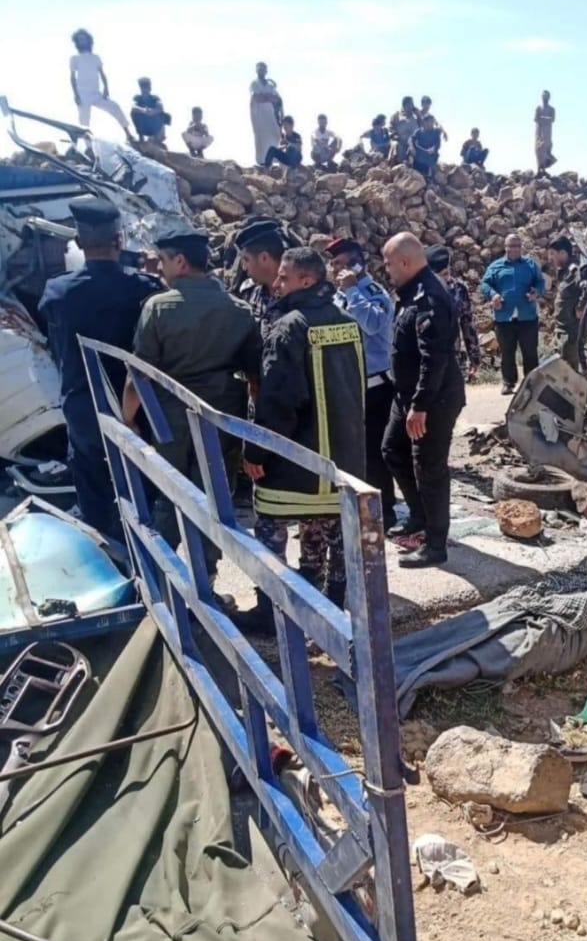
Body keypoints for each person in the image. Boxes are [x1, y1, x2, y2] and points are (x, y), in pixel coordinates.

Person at [234, 248, 366, 631]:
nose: (277, 283)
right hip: (342, 462)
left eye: (284, 277)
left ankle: (271, 611)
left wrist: (256, 451)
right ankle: (332, 607)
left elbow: (278, 401)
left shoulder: (289, 328)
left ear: (306, 281)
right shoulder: (348, 323)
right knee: (328, 531)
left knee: (271, 531)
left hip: (296, 465)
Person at [123, 224, 261, 578]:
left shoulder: (158, 308)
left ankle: (160, 574)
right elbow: (254, 377)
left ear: (180, 262)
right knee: (215, 498)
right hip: (221, 417)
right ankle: (207, 578)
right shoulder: (240, 310)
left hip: (169, 418)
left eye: (163, 260)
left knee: (170, 491)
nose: (160, 268)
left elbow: (138, 375)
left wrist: (128, 419)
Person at [38, 200, 161, 538]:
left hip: (84, 403)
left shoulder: (58, 290)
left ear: (78, 242)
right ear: (120, 240)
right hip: (137, 406)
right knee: (142, 486)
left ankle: (107, 553)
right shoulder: (145, 287)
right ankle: (143, 551)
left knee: (92, 487)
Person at [381, 232, 465, 568]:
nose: (386, 270)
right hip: (408, 395)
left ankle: (435, 544)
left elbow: (435, 359)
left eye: (389, 264)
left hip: (434, 399)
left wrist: (421, 406)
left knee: (429, 468)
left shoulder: (430, 296)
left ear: (405, 262)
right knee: (392, 449)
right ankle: (418, 515)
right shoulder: (411, 292)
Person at [326, 236, 397, 530]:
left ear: (357, 264)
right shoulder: (338, 295)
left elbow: (372, 323)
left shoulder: (372, 293)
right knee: (350, 450)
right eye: (333, 264)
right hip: (348, 385)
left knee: (375, 454)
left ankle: (385, 513)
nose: (335, 270)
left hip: (376, 386)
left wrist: (353, 289)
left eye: (340, 263)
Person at [479, 233, 546, 394]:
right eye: (511, 246)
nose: (515, 249)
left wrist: (536, 292)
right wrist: (493, 295)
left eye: (518, 246)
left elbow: (540, 282)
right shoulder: (495, 266)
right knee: (507, 352)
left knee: (530, 352)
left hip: (527, 316)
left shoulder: (530, 264)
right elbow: (484, 284)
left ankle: (531, 384)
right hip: (504, 317)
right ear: (505, 247)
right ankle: (508, 382)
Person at [426, 245, 480, 381]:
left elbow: (467, 323)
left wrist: (474, 356)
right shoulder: (421, 290)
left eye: (445, 274)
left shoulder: (459, 289)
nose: (443, 279)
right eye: (439, 275)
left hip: (453, 355)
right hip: (427, 356)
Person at [68, 29, 132, 138]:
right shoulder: (74, 58)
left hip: (96, 93)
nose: (82, 41)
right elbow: (72, 77)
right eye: (80, 40)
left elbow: (102, 74)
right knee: (84, 120)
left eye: (84, 39)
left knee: (115, 107)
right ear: (77, 42)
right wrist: (76, 95)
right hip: (82, 93)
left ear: (89, 40)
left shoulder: (95, 57)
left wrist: (106, 88)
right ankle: (85, 143)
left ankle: (128, 134)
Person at [234, 217, 288, 340]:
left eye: (246, 260)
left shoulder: (297, 293)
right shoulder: (249, 293)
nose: (244, 268)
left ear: (264, 258)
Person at [547, 236, 584, 371]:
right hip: (562, 328)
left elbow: (586, 287)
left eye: (552, 254)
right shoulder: (563, 272)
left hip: (571, 330)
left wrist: (581, 307)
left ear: (563, 253)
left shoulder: (575, 271)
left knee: (570, 370)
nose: (550, 258)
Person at [250, 62, 284, 165]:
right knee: (261, 138)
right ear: (256, 70)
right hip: (259, 115)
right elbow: (256, 97)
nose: (262, 71)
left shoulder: (270, 85)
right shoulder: (254, 84)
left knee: (275, 135)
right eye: (260, 69)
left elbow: (276, 98)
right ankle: (261, 161)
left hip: (271, 115)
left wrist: (266, 97)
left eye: (263, 69)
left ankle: (272, 158)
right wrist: (268, 97)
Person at [130, 77, 170, 145]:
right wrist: (143, 110)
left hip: (154, 125)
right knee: (134, 113)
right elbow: (133, 107)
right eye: (143, 86)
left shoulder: (155, 98)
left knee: (164, 115)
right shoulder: (137, 98)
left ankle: (158, 138)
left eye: (147, 85)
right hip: (144, 125)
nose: (145, 88)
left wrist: (152, 112)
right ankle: (141, 138)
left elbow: (160, 107)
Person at [411, 114, 441, 181]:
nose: (432, 123)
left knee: (428, 177)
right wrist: (415, 149)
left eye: (432, 122)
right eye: (430, 121)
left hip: (430, 158)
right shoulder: (418, 132)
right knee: (416, 176)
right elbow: (413, 141)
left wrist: (433, 149)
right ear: (425, 122)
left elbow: (438, 144)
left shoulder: (435, 133)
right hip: (419, 157)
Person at [389, 97, 419, 165]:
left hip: (412, 143)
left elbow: (422, 129)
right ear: (404, 105)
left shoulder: (415, 117)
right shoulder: (397, 115)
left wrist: (419, 115)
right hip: (400, 141)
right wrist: (394, 135)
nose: (410, 106)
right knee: (395, 146)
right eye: (408, 104)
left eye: (411, 104)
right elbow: (390, 127)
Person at [534, 90, 556, 174]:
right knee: (538, 149)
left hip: (547, 131)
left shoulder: (551, 109)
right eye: (543, 96)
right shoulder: (538, 108)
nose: (544, 98)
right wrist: (545, 119)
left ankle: (544, 168)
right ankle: (539, 168)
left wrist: (543, 118)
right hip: (539, 130)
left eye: (546, 96)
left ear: (549, 98)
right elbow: (536, 119)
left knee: (546, 148)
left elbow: (552, 119)